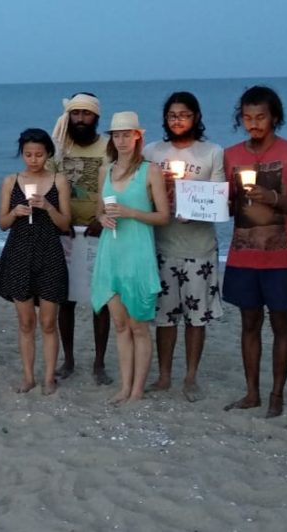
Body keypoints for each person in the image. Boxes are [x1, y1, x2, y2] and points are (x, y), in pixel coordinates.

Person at [222, 85, 287, 418]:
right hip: (243, 254)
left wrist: (273, 198)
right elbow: (230, 206)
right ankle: (252, 393)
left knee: (280, 325)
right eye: (247, 117)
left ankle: (276, 394)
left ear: (274, 116)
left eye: (260, 117)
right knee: (248, 324)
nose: (254, 124)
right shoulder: (230, 155)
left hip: (280, 255)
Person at [142, 92, 225, 402]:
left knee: (196, 316)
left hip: (199, 247)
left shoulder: (212, 152)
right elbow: (142, 192)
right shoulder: (152, 151)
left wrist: (195, 207)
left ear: (196, 117)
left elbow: (218, 196)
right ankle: (164, 375)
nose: (178, 120)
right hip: (162, 245)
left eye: (184, 114)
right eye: (172, 115)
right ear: (165, 119)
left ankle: (190, 376)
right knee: (164, 316)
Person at [91, 112, 168, 404]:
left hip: (137, 253)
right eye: (116, 135)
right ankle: (125, 386)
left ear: (137, 136)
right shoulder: (105, 170)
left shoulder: (150, 171)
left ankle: (137, 389)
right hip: (111, 252)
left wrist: (131, 213)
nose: (121, 140)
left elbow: (163, 216)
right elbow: (99, 210)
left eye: (127, 134)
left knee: (139, 325)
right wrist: (103, 217)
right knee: (120, 325)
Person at [0, 128, 72, 394]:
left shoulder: (59, 180)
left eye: (39, 154)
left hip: (49, 252)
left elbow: (65, 224)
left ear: (48, 154)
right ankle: (28, 376)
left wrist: (48, 207)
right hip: (19, 252)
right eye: (28, 154)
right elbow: (2, 224)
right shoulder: (11, 181)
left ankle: (49, 376)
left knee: (49, 322)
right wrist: (15, 212)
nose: (33, 159)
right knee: (26, 322)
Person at [49, 92, 112, 384]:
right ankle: (69, 359)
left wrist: (103, 217)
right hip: (65, 232)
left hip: (100, 231)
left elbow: (119, 183)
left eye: (86, 114)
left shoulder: (108, 147)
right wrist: (57, 219)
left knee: (100, 300)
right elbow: (47, 183)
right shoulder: (59, 148)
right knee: (66, 300)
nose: (80, 120)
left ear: (96, 117)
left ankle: (99, 363)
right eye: (75, 114)